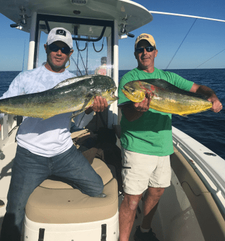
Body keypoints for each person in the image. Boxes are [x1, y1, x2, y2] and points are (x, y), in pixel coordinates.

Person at [0, 27, 108, 241]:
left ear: (70, 53)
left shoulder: (76, 82)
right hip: (29, 155)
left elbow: (79, 120)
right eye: (55, 47)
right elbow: (5, 107)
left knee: (97, 188)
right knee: (14, 212)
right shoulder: (26, 78)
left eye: (65, 48)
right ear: (46, 48)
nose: (60, 52)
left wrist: (91, 110)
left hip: (63, 153)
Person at [118, 33, 223, 241]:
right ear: (135, 54)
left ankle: (145, 231)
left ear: (155, 52)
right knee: (132, 199)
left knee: (156, 193)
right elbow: (127, 114)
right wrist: (139, 109)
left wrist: (211, 97)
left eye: (148, 48)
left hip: (163, 146)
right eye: (140, 49)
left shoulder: (169, 78)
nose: (144, 52)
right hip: (137, 147)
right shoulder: (131, 80)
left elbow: (198, 88)